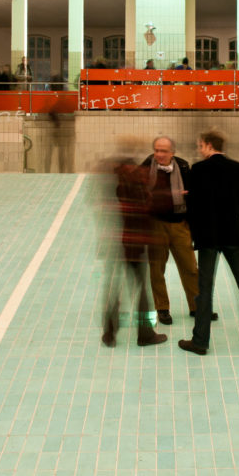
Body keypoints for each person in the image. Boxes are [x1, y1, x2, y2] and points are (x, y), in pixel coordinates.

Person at [179, 129, 239, 355]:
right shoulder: (238, 169)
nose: (199, 149)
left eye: (200, 145)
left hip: (208, 237)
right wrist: (230, 211)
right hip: (233, 235)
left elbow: (193, 206)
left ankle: (200, 342)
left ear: (208, 145)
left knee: (205, 288)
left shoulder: (198, 170)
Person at [99, 138, 167, 348]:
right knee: (143, 290)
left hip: (117, 240)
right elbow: (149, 206)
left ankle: (109, 333)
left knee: (113, 288)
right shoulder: (139, 177)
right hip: (136, 241)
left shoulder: (112, 175)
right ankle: (145, 334)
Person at [140, 137, 216, 325]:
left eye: (164, 151)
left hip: (180, 224)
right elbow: (137, 192)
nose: (159, 154)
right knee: (157, 270)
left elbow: (194, 193)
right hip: (156, 224)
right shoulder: (146, 166)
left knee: (190, 268)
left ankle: (197, 306)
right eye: (157, 150)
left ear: (172, 153)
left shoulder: (183, 168)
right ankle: (162, 308)